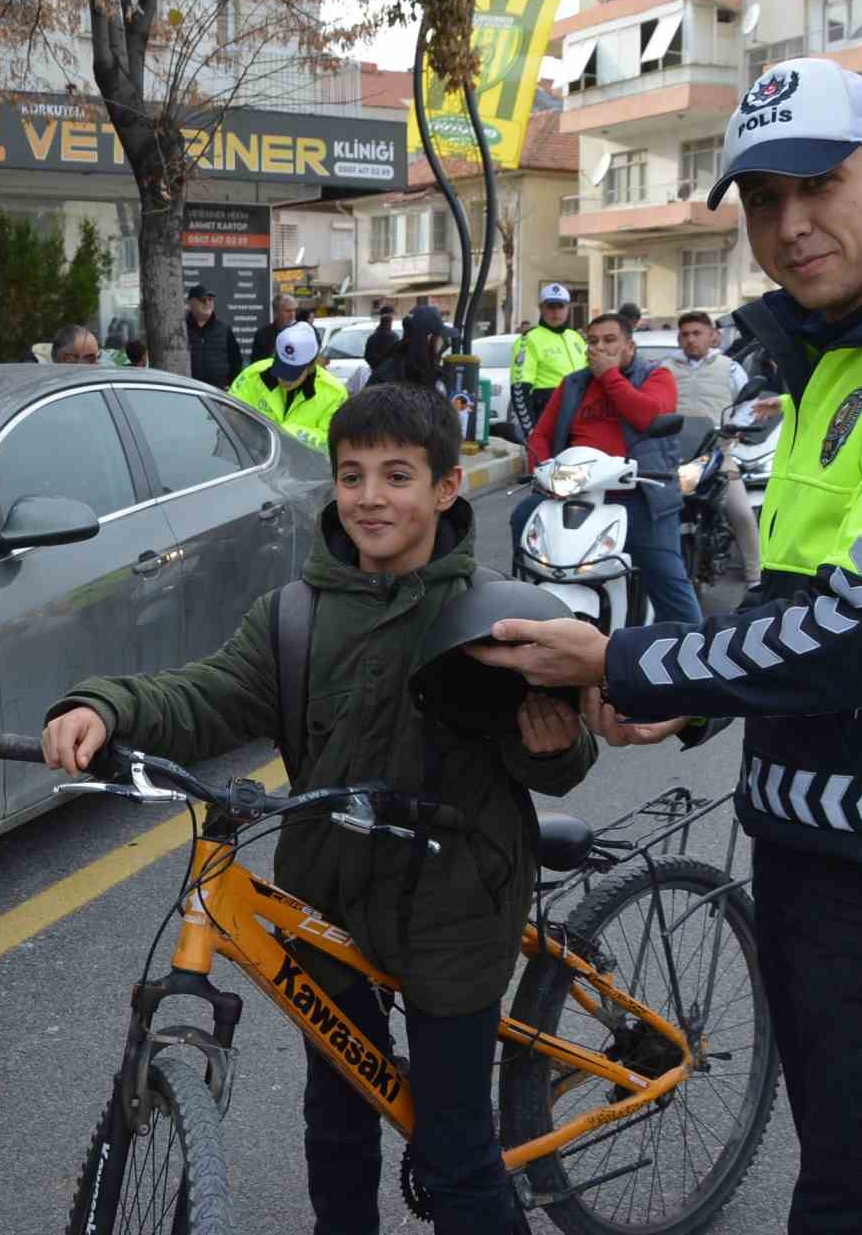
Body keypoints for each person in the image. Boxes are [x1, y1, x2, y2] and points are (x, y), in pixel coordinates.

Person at [472, 58, 862, 1235]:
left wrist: (623, 662)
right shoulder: (834, 361)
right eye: (760, 200)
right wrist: (691, 704)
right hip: (809, 846)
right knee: (829, 1167)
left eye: (817, 185)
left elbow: (856, 638)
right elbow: (790, 605)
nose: (788, 226)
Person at [40, 382, 596, 1235]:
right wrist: (103, 706)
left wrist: (551, 744)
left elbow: (560, 765)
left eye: (398, 475)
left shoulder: (497, 617)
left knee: (455, 1153)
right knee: (335, 1127)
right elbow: (209, 694)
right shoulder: (294, 615)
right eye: (351, 474)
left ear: (449, 486)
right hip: (327, 897)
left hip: (458, 906)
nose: (371, 497)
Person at [513, 312, 702, 625]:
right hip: (576, 491)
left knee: (666, 575)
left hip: (640, 491)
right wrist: (543, 470)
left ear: (629, 346)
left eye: (609, 340)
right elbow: (541, 435)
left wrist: (609, 376)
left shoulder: (657, 377)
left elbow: (648, 416)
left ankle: (694, 651)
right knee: (524, 517)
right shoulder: (573, 384)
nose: (599, 348)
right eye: (593, 341)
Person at [666, 310, 764, 591]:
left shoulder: (730, 368)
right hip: (674, 455)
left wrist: (735, 426)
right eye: (685, 334)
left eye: (697, 333)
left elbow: (749, 403)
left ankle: (755, 578)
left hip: (717, 453)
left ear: (712, 336)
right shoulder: (665, 368)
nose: (690, 339)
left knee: (742, 512)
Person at [228, 321, 349, 452]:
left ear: (310, 366)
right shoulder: (252, 376)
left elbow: (334, 442)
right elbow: (228, 414)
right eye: (281, 368)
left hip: (307, 469)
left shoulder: (334, 393)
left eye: (293, 373)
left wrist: (287, 433)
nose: (284, 379)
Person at [508, 283, 587, 439]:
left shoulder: (576, 338)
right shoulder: (529, 339)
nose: (556, 311)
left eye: (560, 306)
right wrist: (532, 433)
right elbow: (519, 390)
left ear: (568, 308)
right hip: (549, 416)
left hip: (581, 416)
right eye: (550, 306)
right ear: (542, 309)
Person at [371, 304, 453, 393]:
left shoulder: (412, 366)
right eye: (439, 337)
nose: (445, 344)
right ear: (427, 338)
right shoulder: (395, 376)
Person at [185, 283, 243, 390]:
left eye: (210, 299)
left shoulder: (224, 329)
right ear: (191, 303)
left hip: (218, 394)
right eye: (203, 300)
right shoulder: (181, 329)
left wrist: (231, 385)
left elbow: (236, 361)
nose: (207, 303)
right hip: (189, 392)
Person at [252, 293, 299, 364]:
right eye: (288, 311)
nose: (292, 314)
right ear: (276, 312)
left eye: (294, 310)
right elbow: (255, 362)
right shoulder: (263, 334)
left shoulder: (303, 332)